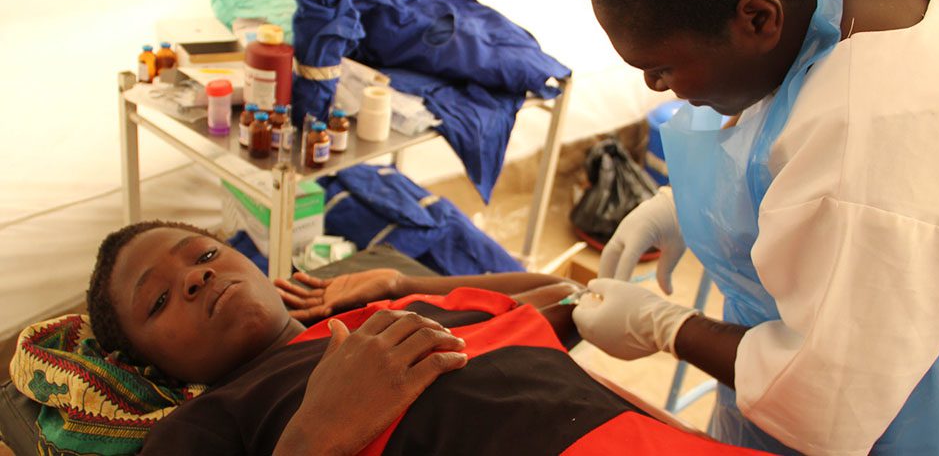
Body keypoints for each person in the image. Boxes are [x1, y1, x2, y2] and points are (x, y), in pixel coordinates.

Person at [570, 0, 939, 455]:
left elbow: (827, 399)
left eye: (662, 67)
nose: (654, 87)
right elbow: (790, 101)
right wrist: (700, 205)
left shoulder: (864, 148)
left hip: (907, 398)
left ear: (758, 17)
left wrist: (666, 327)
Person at [85, 220, 765, 455]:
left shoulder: (398, 309)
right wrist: (317, 433)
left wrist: (390, 283)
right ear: (154, 366)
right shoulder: (209, 418)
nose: (198, 278)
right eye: (162, 297)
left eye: (203, 255)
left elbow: (561, 295)